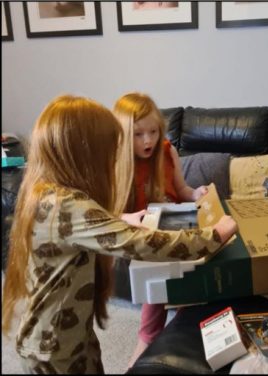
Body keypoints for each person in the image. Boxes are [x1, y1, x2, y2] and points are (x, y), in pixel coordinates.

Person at [1, 94, 237, 374]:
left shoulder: (49, 192)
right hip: (53, 346)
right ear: (83, 152)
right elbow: (142, 243)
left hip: (72, 332)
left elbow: (78, 227)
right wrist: (215, 235)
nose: (114, 156)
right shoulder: (66, 204)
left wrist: (117, 219)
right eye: (109, 149)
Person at [113, 92, 209, 368]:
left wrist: (196, 194)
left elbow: (182, 190)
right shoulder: (117, 162)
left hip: (179, 227)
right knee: (158, 296)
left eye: (153, 131)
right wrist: (128, 217)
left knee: (190, 291)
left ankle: (182, 335)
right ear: (122, 135)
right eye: (138, 134)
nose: (148, 141)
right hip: (147, 241)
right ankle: (145, 345)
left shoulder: (168, 151)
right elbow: (104, 214)